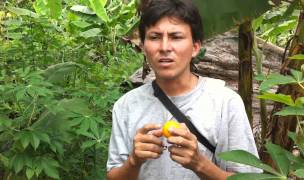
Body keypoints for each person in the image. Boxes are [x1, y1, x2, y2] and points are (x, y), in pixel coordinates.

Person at [106, 0, 260, 179]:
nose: (164, 48)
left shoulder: (225, 103)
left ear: (195, 47)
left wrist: (199, 164)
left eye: (176, 37)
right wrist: (134, 161)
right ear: (143, 46)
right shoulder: (126, 106)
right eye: (155, 37)